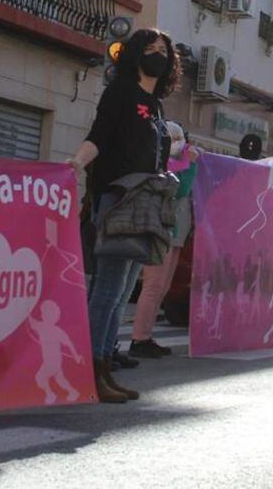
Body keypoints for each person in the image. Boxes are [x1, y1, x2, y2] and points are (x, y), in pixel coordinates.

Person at [69, 27, 180, 404]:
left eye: (163, 50)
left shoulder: (157, 107)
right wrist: (76, 164)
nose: (157, 54)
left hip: (146, 205)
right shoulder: (119, 92)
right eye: (149, 48)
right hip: (117, 200)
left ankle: (104, 365)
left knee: (121, 294)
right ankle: (90, 368)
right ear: (134, 54)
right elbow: (98, 135)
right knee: (109, 289)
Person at [129, 122, 198, 358]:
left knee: (163, 287)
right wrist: (191, 166)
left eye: (181, 137)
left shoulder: (179, 163)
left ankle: (146, 336)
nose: (180, 142)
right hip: (162, 231)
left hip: (177, 233)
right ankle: (139, 338)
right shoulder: (162, 165)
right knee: (153, 286)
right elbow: (180, 189)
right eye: (175, 138)